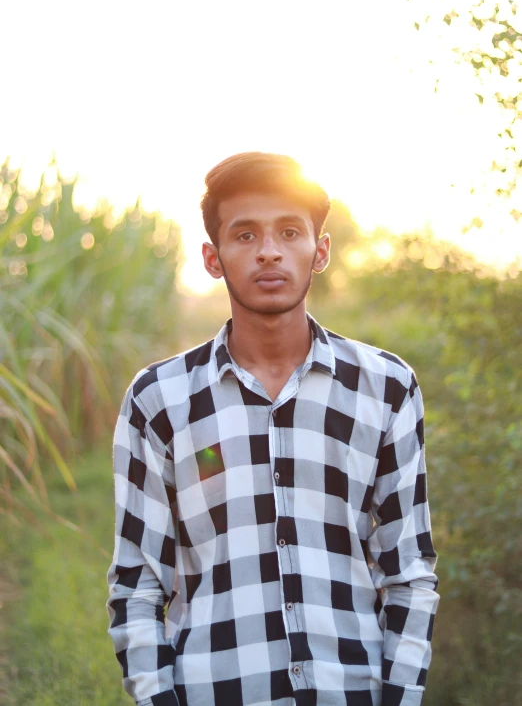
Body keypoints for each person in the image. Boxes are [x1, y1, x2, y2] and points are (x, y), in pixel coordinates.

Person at [107, 152, 439, 706]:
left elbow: (409, 574)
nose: (269, 251)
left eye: (289, 232)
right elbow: (137, 586)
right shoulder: (159, 400)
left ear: (321, 251)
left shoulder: (386, 389)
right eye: (244, 235)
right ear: (213, 258)